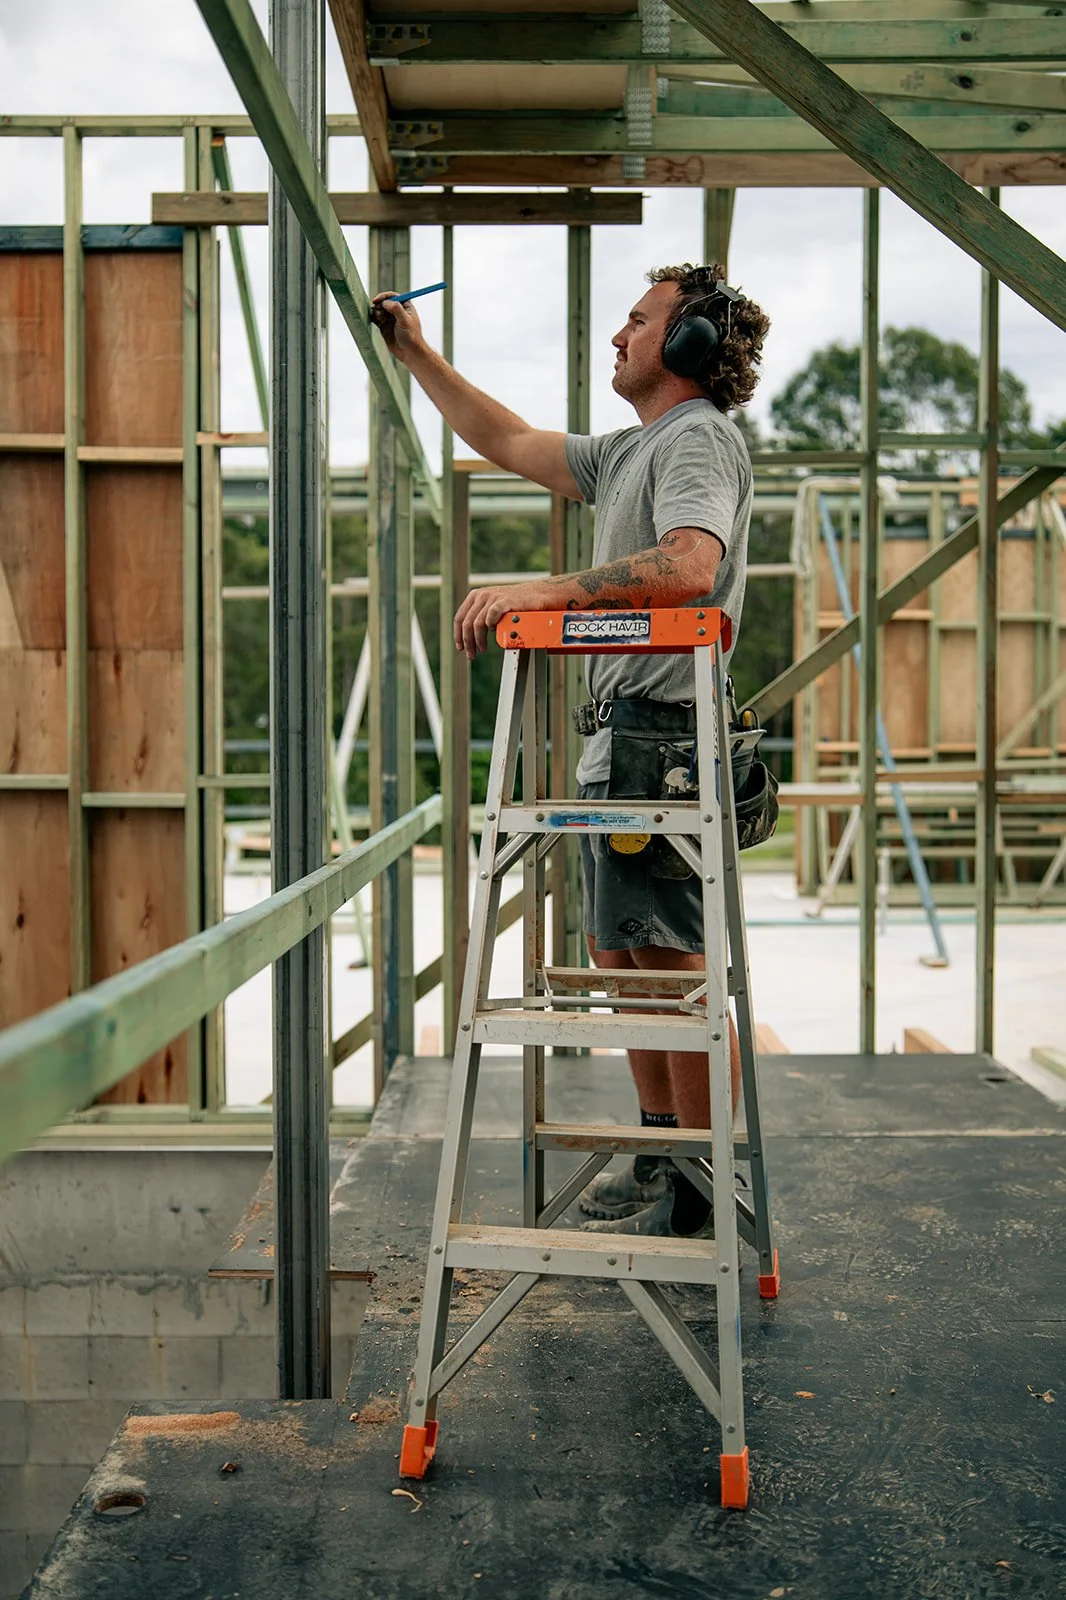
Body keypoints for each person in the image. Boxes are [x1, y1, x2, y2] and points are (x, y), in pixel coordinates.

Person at [371, 263, 770, 1238]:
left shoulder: (697, 440)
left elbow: (689, 565)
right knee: (623, 949)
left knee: (667, 962)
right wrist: (417, 355)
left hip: (664, 736)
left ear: (685, 347)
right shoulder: (630, 450)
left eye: (640, 322)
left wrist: (548, 590)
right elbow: (505, 440)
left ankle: (700, 1180)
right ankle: (662, 1145)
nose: (619, 336)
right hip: (623, 736)